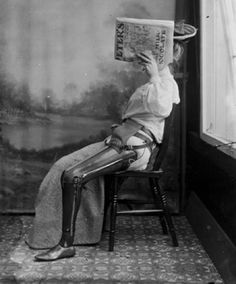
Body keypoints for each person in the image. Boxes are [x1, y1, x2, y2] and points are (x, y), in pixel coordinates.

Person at [26, 23, 196, 261]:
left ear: (173, 54)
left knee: (72, 176)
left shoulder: (166, 83)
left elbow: (162, 108)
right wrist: (152, 78)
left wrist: (155, 76)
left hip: (135, 149)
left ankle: (66, 244)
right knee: (63, 165)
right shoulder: (152, 83)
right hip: (121, 140)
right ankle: (60, 231)